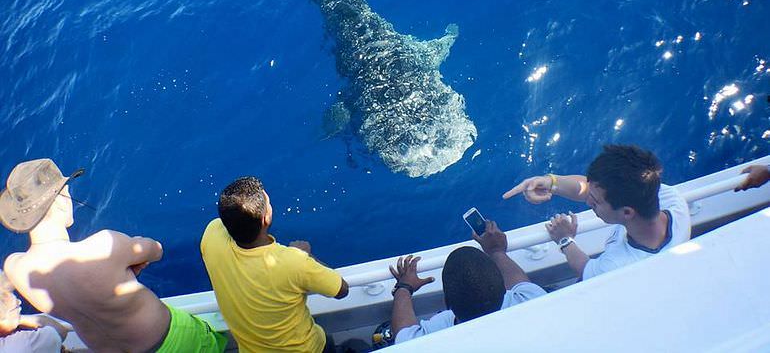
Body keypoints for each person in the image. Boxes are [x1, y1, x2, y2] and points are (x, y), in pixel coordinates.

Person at [0, 158, 226, 352]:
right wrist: (128, 255)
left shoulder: (15, 268)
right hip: (172, 342)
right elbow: (156, 250)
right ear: (60, 203)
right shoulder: (103, 246)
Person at [200, 176, 349, 353]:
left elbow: (226, 221)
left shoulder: (212, 235)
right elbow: (342, 290)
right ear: (266, 219)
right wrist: (305, 255)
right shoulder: (294, 263)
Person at [503, 144, 690, 280]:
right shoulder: (669, 198)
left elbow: (585, 270)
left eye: (595, 201)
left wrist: (565, 240)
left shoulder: (615, 266)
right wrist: (551, 182)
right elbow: (589, 188)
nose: (588, 201)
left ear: (626, 213)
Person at [388, 220, 546, 344]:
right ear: (505, 290)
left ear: (446, 303)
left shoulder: (428, 339)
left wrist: (404, 287)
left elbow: (403, 333)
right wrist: (496, 251)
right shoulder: (532, 300)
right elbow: (522, 284)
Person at [0, 271, 68, 352]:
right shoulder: (27, 343)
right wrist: (20, 319)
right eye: (15, 307)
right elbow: (60, 331)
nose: (19, 302)